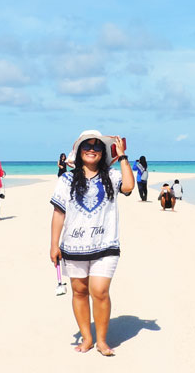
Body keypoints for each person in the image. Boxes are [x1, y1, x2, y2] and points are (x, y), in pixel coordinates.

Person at [49, 130, 134, 356]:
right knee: (79, 291)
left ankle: (102, 341)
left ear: (103, 153)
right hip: (73, 246)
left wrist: (123, 156)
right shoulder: (66, 180)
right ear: (78, 152)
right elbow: (58, 213)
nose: (92, 150)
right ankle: (87, 338)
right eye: (88, 146)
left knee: (100, 291)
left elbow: (128, 187)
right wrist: (53, 244)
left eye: (97, 147)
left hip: (105, 245)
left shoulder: (112, 176)